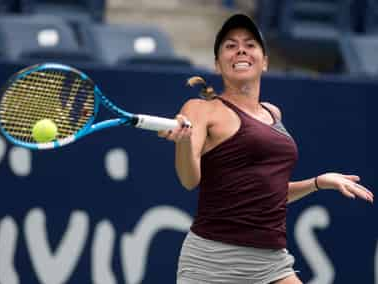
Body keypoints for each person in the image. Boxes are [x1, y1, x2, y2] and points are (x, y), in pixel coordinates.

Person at [158, 13, 374, 284]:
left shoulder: (273, 113)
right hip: (213, 261)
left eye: (250, 44)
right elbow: (189, 180)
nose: (240, 50)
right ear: (217, 64)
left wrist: (319, 182)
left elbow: (265, 195)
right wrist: (184, 141)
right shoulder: (201, 109)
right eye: (230, 45)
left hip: (271, 261)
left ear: (265, 62)